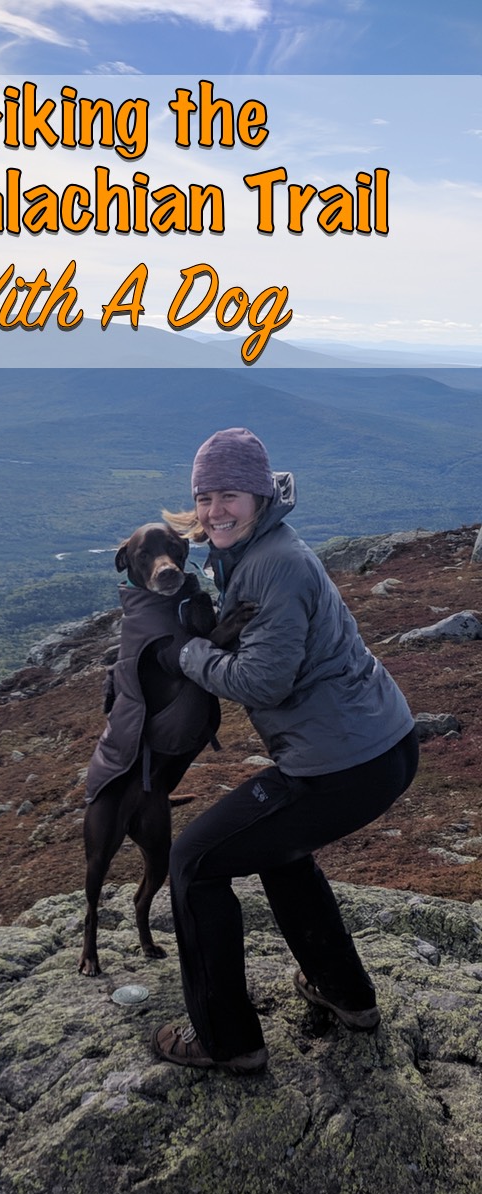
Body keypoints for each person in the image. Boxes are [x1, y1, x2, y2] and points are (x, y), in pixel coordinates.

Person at [151, 427, 418, 1075]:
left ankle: (225, 1038)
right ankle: (344, 991)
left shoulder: (277, 564)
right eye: (206, 494)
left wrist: (186, 655)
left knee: (193, 862)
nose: (216, 508)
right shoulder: (256, 550)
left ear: (261, 495)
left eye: (231, 494)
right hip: (375, 747)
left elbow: (262, 680)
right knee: (277, 848)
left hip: (343, 764)